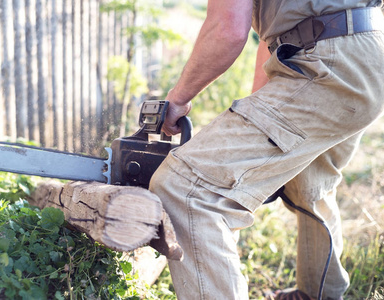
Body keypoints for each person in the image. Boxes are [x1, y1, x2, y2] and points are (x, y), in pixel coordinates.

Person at [149, 0, 384, 299]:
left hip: (328, 64)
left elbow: (227, 29)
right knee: (310, 184)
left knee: (187, 189)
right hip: (365, 53)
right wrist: (260, 129)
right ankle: (317, 294)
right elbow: (274, 42)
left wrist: (178, 99)